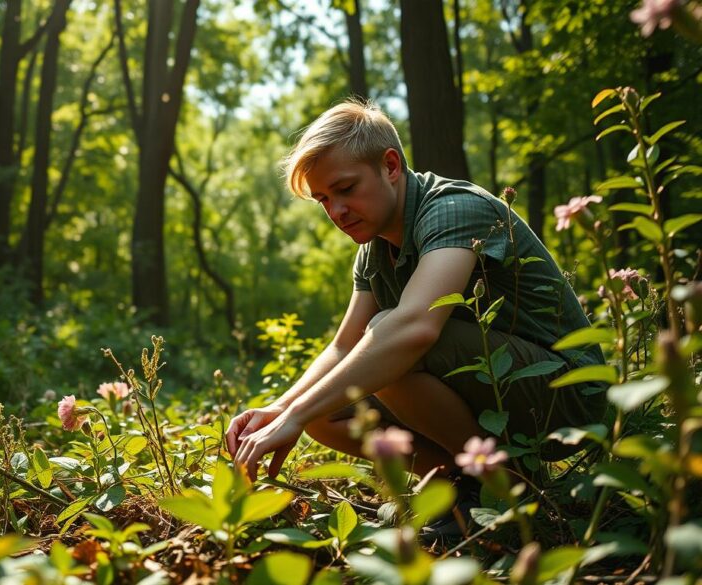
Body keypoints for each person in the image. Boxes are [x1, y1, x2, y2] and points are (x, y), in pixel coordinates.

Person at [225, 99, 606, 512]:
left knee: (391, 341)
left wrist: (294, 414)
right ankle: (465, 484)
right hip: (501, 391)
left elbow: (413, 329)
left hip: (567, 395)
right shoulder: (375, 247)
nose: (336, 211)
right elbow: (342, 347)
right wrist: (283, 410)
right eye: (323, 200)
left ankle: (507, 483)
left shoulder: (454, 209)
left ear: (390, 166)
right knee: (325, 414)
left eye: (346, 189)